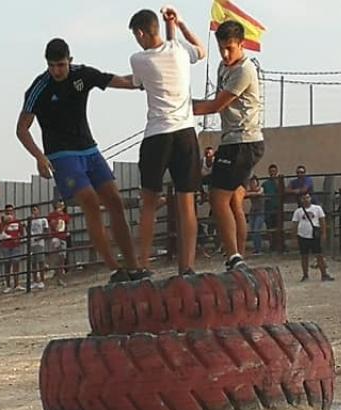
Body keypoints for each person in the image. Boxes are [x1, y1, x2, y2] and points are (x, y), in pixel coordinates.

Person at [16, 38, 141, 283]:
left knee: (115, 201)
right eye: (52, 66)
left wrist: (143, 82)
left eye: (61, 65)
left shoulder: (82, 74)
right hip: (61, 155)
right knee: (91, 204)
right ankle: (114, 268)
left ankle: (134, 266)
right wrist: (39, 157)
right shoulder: (38, 89)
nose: (56, 71)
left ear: (69, 61)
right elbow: (22, 128)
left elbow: (117, 80)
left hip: (89, 149)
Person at [128, 7, 206, 275]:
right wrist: (179, 22)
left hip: (157, 134)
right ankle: (187, 266)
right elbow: (201, 50)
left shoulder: (138, 59)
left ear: (140, 33)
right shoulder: (180, 52)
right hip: (185, 131)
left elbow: (138, 83)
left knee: (148, 202)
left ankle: (143, 264)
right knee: (187, 202)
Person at [192, 20, 265, 272]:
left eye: (230, 48)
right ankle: (239, 258)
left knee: (217, 197)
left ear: (241, 44)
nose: (225, 53)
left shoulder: (244, 70)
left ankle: (234, 255)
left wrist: (178, 105)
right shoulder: (224, 67)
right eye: (221, 48)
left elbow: (214, 106)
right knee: (234, 200)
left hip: (241, 142)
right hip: (236, 141)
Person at [292, 193, 334, 283]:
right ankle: (305, 275)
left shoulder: (317, 208)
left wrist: (324, 233)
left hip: (314, 235)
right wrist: (294, 238)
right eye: (303, 198)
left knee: (319, 255)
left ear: (310, 198)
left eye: (307, 197)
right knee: (304, 256)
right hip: (302, 235)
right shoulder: (298, 211)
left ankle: (324, 274)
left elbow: (322, 221)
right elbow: (295, 225)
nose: (306, 200)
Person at [0, 206, 23, 294]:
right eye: (7, 212)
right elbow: (0, 234)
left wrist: (18, 238)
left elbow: (21, 232)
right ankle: (8, 285)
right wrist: (5, 223)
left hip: (15, 245)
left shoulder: (17, 222)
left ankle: (17, 284)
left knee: (16, 263)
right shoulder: (3, 223)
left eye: (11, 211)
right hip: (6, 245)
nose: (9, 213)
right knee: (7, 264)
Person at [47, 200, 71, 286]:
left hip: (63, 238)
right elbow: (51, 224)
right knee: (55, 251)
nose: (61, 206)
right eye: (60, 204)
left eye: (62, 205)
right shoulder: (52, 215)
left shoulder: (65, 216)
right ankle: (49, 264)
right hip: (56, 237)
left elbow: (66, 226)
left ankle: (59, 278)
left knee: (62, 258)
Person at [259, 164, 281, 253]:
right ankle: (271, 245)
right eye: (271, 171)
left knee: (277, 228)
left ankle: (278, 245)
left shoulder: (280, 182)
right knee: (270, 228)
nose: (272, 173)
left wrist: (277, 183)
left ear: (276, 172)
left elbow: (282, 192)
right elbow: (262, 195)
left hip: (278, 208)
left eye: (274, 171)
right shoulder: (265, 184)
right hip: (268, 208)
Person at [29, 205, 50, 289]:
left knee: (41, 262)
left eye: (35, 210)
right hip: (32, 243)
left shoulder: (43, 220)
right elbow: (28, 230)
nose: (34, 212)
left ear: (39, 211)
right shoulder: (30, 221)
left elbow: (46, 232)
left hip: (40, 243)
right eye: (33, 210)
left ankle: (42, 280)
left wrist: (39, 238)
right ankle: (34, 280)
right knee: (33, 263)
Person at [244, 176, 264, 255]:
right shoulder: (249, 190)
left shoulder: (261, 188)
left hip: (260, 212)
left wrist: (252, 193)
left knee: (256, 230)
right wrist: (252, 193)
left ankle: (258, 249)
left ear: (257, 182)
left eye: (254, 182)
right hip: (253, 212)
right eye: (251, 182)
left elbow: (259, 193)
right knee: (252, 230)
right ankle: (255, 249)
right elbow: (244, 194)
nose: (252, 184)